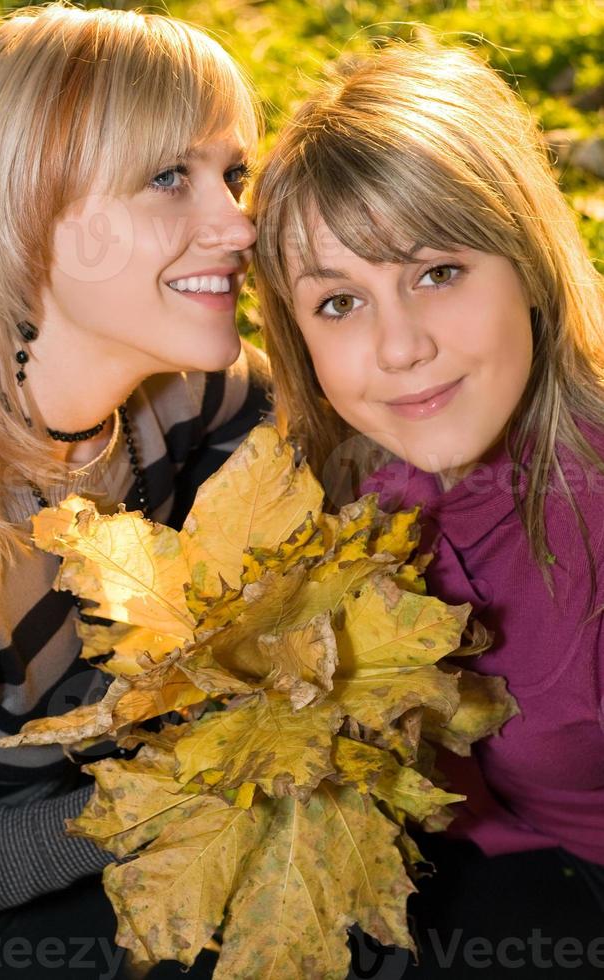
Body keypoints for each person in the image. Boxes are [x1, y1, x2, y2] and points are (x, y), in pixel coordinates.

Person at [249, 40, 604, 978]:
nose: (398, 347)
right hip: (487, 867)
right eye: (338, 302)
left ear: (526, 265)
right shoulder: (345, 487)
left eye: (435, 273)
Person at [0, 5, 269, 978]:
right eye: (169, 176)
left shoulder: (189, 388)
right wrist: (168, 797)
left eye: (232, 175)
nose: (237, 223)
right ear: (24, 208)